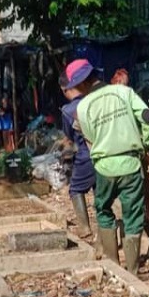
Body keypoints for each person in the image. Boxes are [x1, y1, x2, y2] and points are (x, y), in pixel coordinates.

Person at [70, 59, 149, 274]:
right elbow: (147, 117)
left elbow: (90, 139)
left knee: (103, 210)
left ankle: (114, 267)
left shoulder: (83, 107)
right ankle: (133, 270)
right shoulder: (123, 93)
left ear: (80, 84)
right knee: (133, 215)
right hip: (130, 163)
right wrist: (147, 145)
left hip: (104, 167)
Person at [59, 72, 97, 241]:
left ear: (65, 89)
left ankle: (84, 228)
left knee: (75, 188)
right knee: (99, 191)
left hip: (85, 154)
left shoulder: (68, 110)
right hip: (104, 152)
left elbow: (69, 136)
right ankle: (104, 231)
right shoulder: (94, 101)